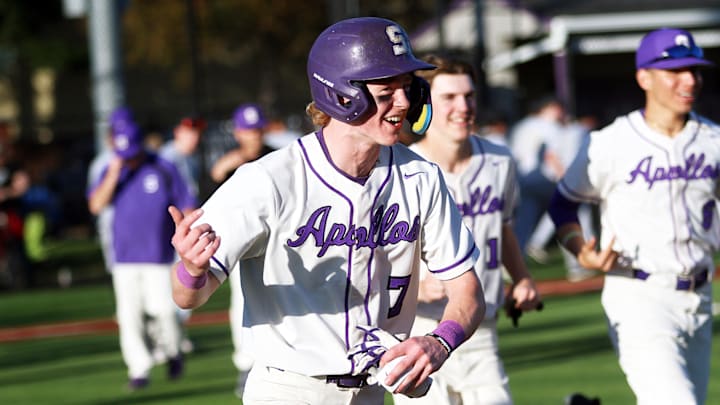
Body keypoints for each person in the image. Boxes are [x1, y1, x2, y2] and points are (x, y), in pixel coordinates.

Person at [169, 16, 485, 404]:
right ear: (340, 94)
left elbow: (468, 290)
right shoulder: (268, 181)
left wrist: (440, 341)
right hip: (288, 390)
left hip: (372, 391)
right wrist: (193, 270)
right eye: (387, 91)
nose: (403, 103)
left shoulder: (421, 178)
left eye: (408, 88)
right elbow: (187, 297)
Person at [548, 27, 716, 405]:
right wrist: (580, 249)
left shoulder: (713, 140)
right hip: (639, 295)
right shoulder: (610, 143)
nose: (690, 80)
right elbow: (563, 204)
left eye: (695, 70)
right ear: (644, 77)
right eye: (675, 71)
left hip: (700, 297)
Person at [393, 54, 541, 405]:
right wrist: (414, 288)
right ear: (425, 102)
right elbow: (377, 258)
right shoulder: (402, 171)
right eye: (449, 97)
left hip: (480, 331)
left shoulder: (498, 161)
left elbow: (502, 226)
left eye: (469, 96)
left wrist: (521, 277)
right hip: (419, 332)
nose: (464, 106)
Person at [87, 117, 197, 390]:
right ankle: (139, 369)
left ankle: (173, 352)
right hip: (123, 257)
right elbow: (96, 205)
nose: (129, 158)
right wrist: (114, 173)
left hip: (158, 255)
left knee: (165, 312)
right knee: (129, 316)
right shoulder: (112, 169)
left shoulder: (162, 167)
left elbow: (187, 205)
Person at [508, 95, 566, 253]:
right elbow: (552, 155)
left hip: (520, 177)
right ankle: (538, 242)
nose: (560, 112)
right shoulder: (549, 125)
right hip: (543, 178)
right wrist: (563, 175)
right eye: (557, 108)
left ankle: (516, 257)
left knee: (524, 221)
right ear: (547, 108)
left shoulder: (521, 125)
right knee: (566, 206)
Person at [210, 103, 274, 184]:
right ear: (237, 133)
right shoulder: (230, 163)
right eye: (249, 131)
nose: (255, 136)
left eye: (258, 129)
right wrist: (217, 175)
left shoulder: (275, 157)